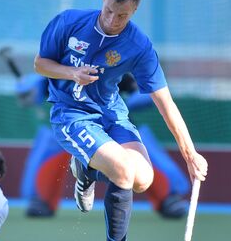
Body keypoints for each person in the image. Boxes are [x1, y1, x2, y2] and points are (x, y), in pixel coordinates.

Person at [34, 0, 208, 241]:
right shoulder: (68, 22)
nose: (113, 20)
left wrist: (190, 153)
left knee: (143, 178)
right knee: (124, 172)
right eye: (109, 11)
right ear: (103, 0)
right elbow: (40, 64)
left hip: (112, 115)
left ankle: (87, 169)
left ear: (134, 11)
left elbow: (164, 102)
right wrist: (72, 73)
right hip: (72, 114)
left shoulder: (138, 45)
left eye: (122, 15)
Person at [12, 72, 190, 218]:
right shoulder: (60, 67)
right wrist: (30, 87)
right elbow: (32, 93)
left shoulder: (116, 68)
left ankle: (167, 197)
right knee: (50, 148)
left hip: (113, 124)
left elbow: (142, 92)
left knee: (140, 160)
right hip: (71, 124)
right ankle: (41, 199)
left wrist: (132, 100)